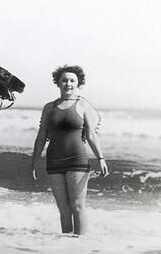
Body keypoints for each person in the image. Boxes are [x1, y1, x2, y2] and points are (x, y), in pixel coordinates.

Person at [31, 65, 108, 235]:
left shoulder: (82, 105)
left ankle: (80, 246)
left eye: (72, 80)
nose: (68, 84)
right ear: (58, 83)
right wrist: (35, 160)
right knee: (64, 210)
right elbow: (41, 136)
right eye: (64, 80)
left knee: (78, 207)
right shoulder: (48, 108)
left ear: (78, 83)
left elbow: (91, 135)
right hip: (54, 161)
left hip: (77, 160)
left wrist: (100, 158)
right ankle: (66, 248)